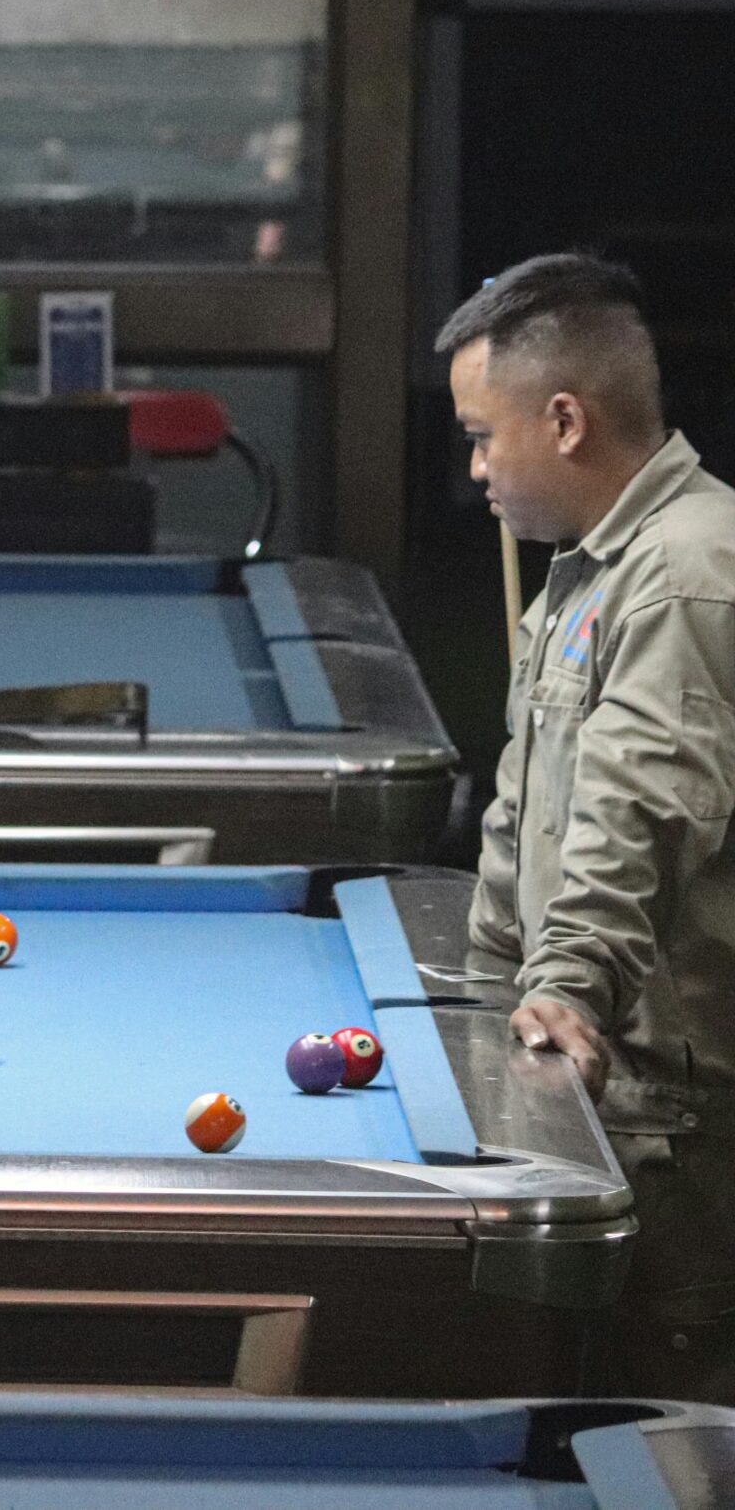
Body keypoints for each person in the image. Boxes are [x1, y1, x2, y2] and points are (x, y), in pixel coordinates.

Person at [448, 252, 735, 1401]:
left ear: (563, 419)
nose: (473, 469)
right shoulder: (592, 565)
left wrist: (563, 979)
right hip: (605, 1088)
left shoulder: (684, 574)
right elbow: (529, 811)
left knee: (669, 1440)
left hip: (674, 1116)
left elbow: (639, 806)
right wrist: (478, 1010)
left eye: (483, 435)